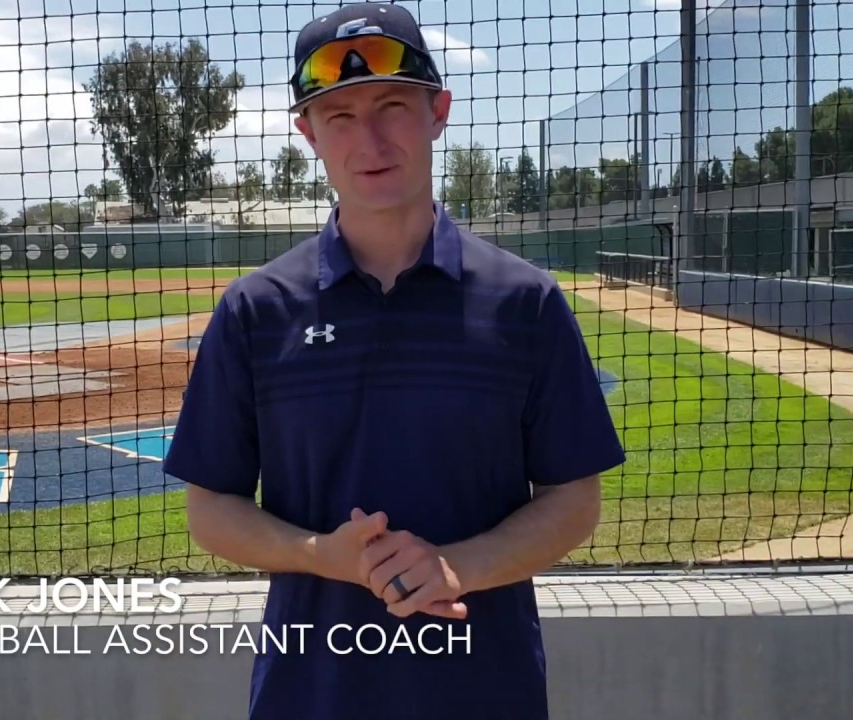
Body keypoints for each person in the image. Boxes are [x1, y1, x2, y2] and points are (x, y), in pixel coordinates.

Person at [162, 3, 626, 718]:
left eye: (391, 106)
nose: (369, 139)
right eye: (339, 116)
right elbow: (210, 510)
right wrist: (325, 554)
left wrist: (455, 567)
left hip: (485, 691)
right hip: (309, 695)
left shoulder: (523, 302)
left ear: (437, 111)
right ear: (308, 133)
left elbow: (574, 498)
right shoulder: (257, 310)